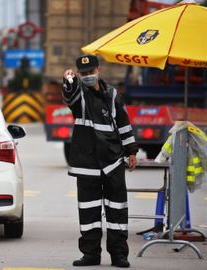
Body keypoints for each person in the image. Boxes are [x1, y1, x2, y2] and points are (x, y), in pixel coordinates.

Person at [62, 55, 138, 268]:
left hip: (112, 161)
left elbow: (123, 123)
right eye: (83, 73)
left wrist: (131, 151)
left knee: (117, 211)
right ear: (79, 74)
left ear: (99, 70)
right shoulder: (80, 95)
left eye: (90, 72)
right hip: (86, 164)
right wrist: (69, 82)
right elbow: (70, 97)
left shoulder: (113, 95)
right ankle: (90, 255)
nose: (87, 76)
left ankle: (119, 255)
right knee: (89, 211)